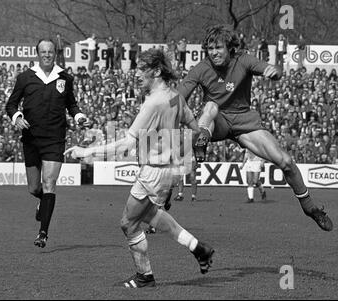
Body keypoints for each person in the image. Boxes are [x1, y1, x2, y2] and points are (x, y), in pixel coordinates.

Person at [65, 48, 215, 287]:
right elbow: (194, 125)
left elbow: (125, 143)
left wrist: (87, 152)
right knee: (151, 215)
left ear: (156, 71)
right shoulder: (175, 95)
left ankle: (145, 276)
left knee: (128, 223)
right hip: (167, 169)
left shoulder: (154, 102)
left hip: (154, 170)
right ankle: (198, 248)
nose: (136, 74)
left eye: (142, 69)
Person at [178, 25, 333, 232]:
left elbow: (274, 69)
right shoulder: (201, 68)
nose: (213, 53)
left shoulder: (243, 60)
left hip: (244, 122)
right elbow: (179, 96)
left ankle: (310, 208)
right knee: (210, 106)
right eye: (210, 48)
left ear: (230, 48)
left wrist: (274, 72)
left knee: (286, 161)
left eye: (218, 48)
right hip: (215, 122)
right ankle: (201, 142)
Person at [5, 39, 88, 248]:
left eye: (50, 51)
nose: (47, 55)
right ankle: (41, 200)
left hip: (54, 138)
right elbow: (11, 104)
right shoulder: (25, 77)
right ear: (37, 54)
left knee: (49, 183)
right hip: (31, 138)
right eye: (43, 51)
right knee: (34, 188)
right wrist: (16, 116)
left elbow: (71, 104)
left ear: (55, 54)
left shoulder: (65, 77)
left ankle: (43, 233)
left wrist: (78, 116)